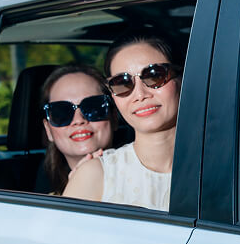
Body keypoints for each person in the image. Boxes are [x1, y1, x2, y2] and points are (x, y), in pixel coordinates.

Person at [63, 29, 182, 210]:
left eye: (154, 75)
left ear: (181, 78)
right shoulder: (96, 176)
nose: (140, 94)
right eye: (122, 83)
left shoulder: (233, 165)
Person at [38, 64, 115, 195]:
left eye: (93, 107)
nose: (79, 120)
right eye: (61, 112)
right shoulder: (37, 201)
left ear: (114, 118)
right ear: (48, 130)